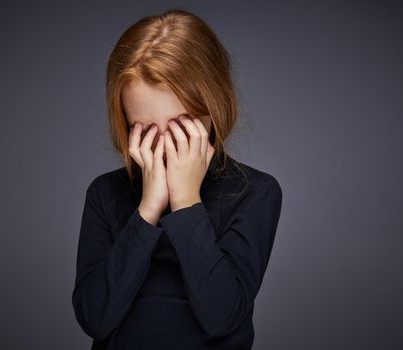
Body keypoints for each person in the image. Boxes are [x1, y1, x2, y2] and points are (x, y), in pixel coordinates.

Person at [72, 8, 283, 350]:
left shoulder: (255, 193)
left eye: (181, 125)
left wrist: (186, 202)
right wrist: (147, 210)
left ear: (215, 105)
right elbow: (95, 318)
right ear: (125, 123)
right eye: (146, 128)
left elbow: (222, 316)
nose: (167, 144)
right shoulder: (104, 194)